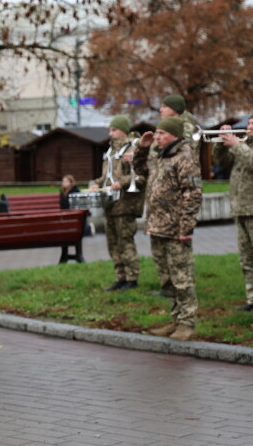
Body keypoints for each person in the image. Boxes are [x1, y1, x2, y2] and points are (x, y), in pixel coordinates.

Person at [133, 117, 202, 341]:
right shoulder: (158, 156)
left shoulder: (185, 158)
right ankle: (175, 318)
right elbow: (140, 169)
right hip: (157, 226)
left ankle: (187, 322)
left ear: (174, 135)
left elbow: (192, 194)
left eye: (161, 133)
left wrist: (186, 227)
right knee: (167, 279)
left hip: (176, 229)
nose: (157, 137)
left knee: (182, 278)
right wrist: (142, 149)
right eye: (157, 133)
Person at [89, 115, 145, 291]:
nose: (110, 134)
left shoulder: (133, 148)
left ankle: (132, 278)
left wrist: (123, 183)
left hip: (126, 204)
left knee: (125, 241)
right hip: (110, 204)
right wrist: (96, 184)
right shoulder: (110, 152)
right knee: (112, 243)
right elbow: (107, 177)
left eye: (114, 130)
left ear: (123, 130)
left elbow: (142, 175)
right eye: (110, 130)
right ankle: (120, 277)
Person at [213, 118, 253, 311]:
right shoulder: (244, 145)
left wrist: (237, 145)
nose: (249, 127)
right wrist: (221, 144)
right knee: (246, 259)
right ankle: (252, 299)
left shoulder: (243, 148)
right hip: (241, 210)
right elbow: (221, 162)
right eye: (250, 123)